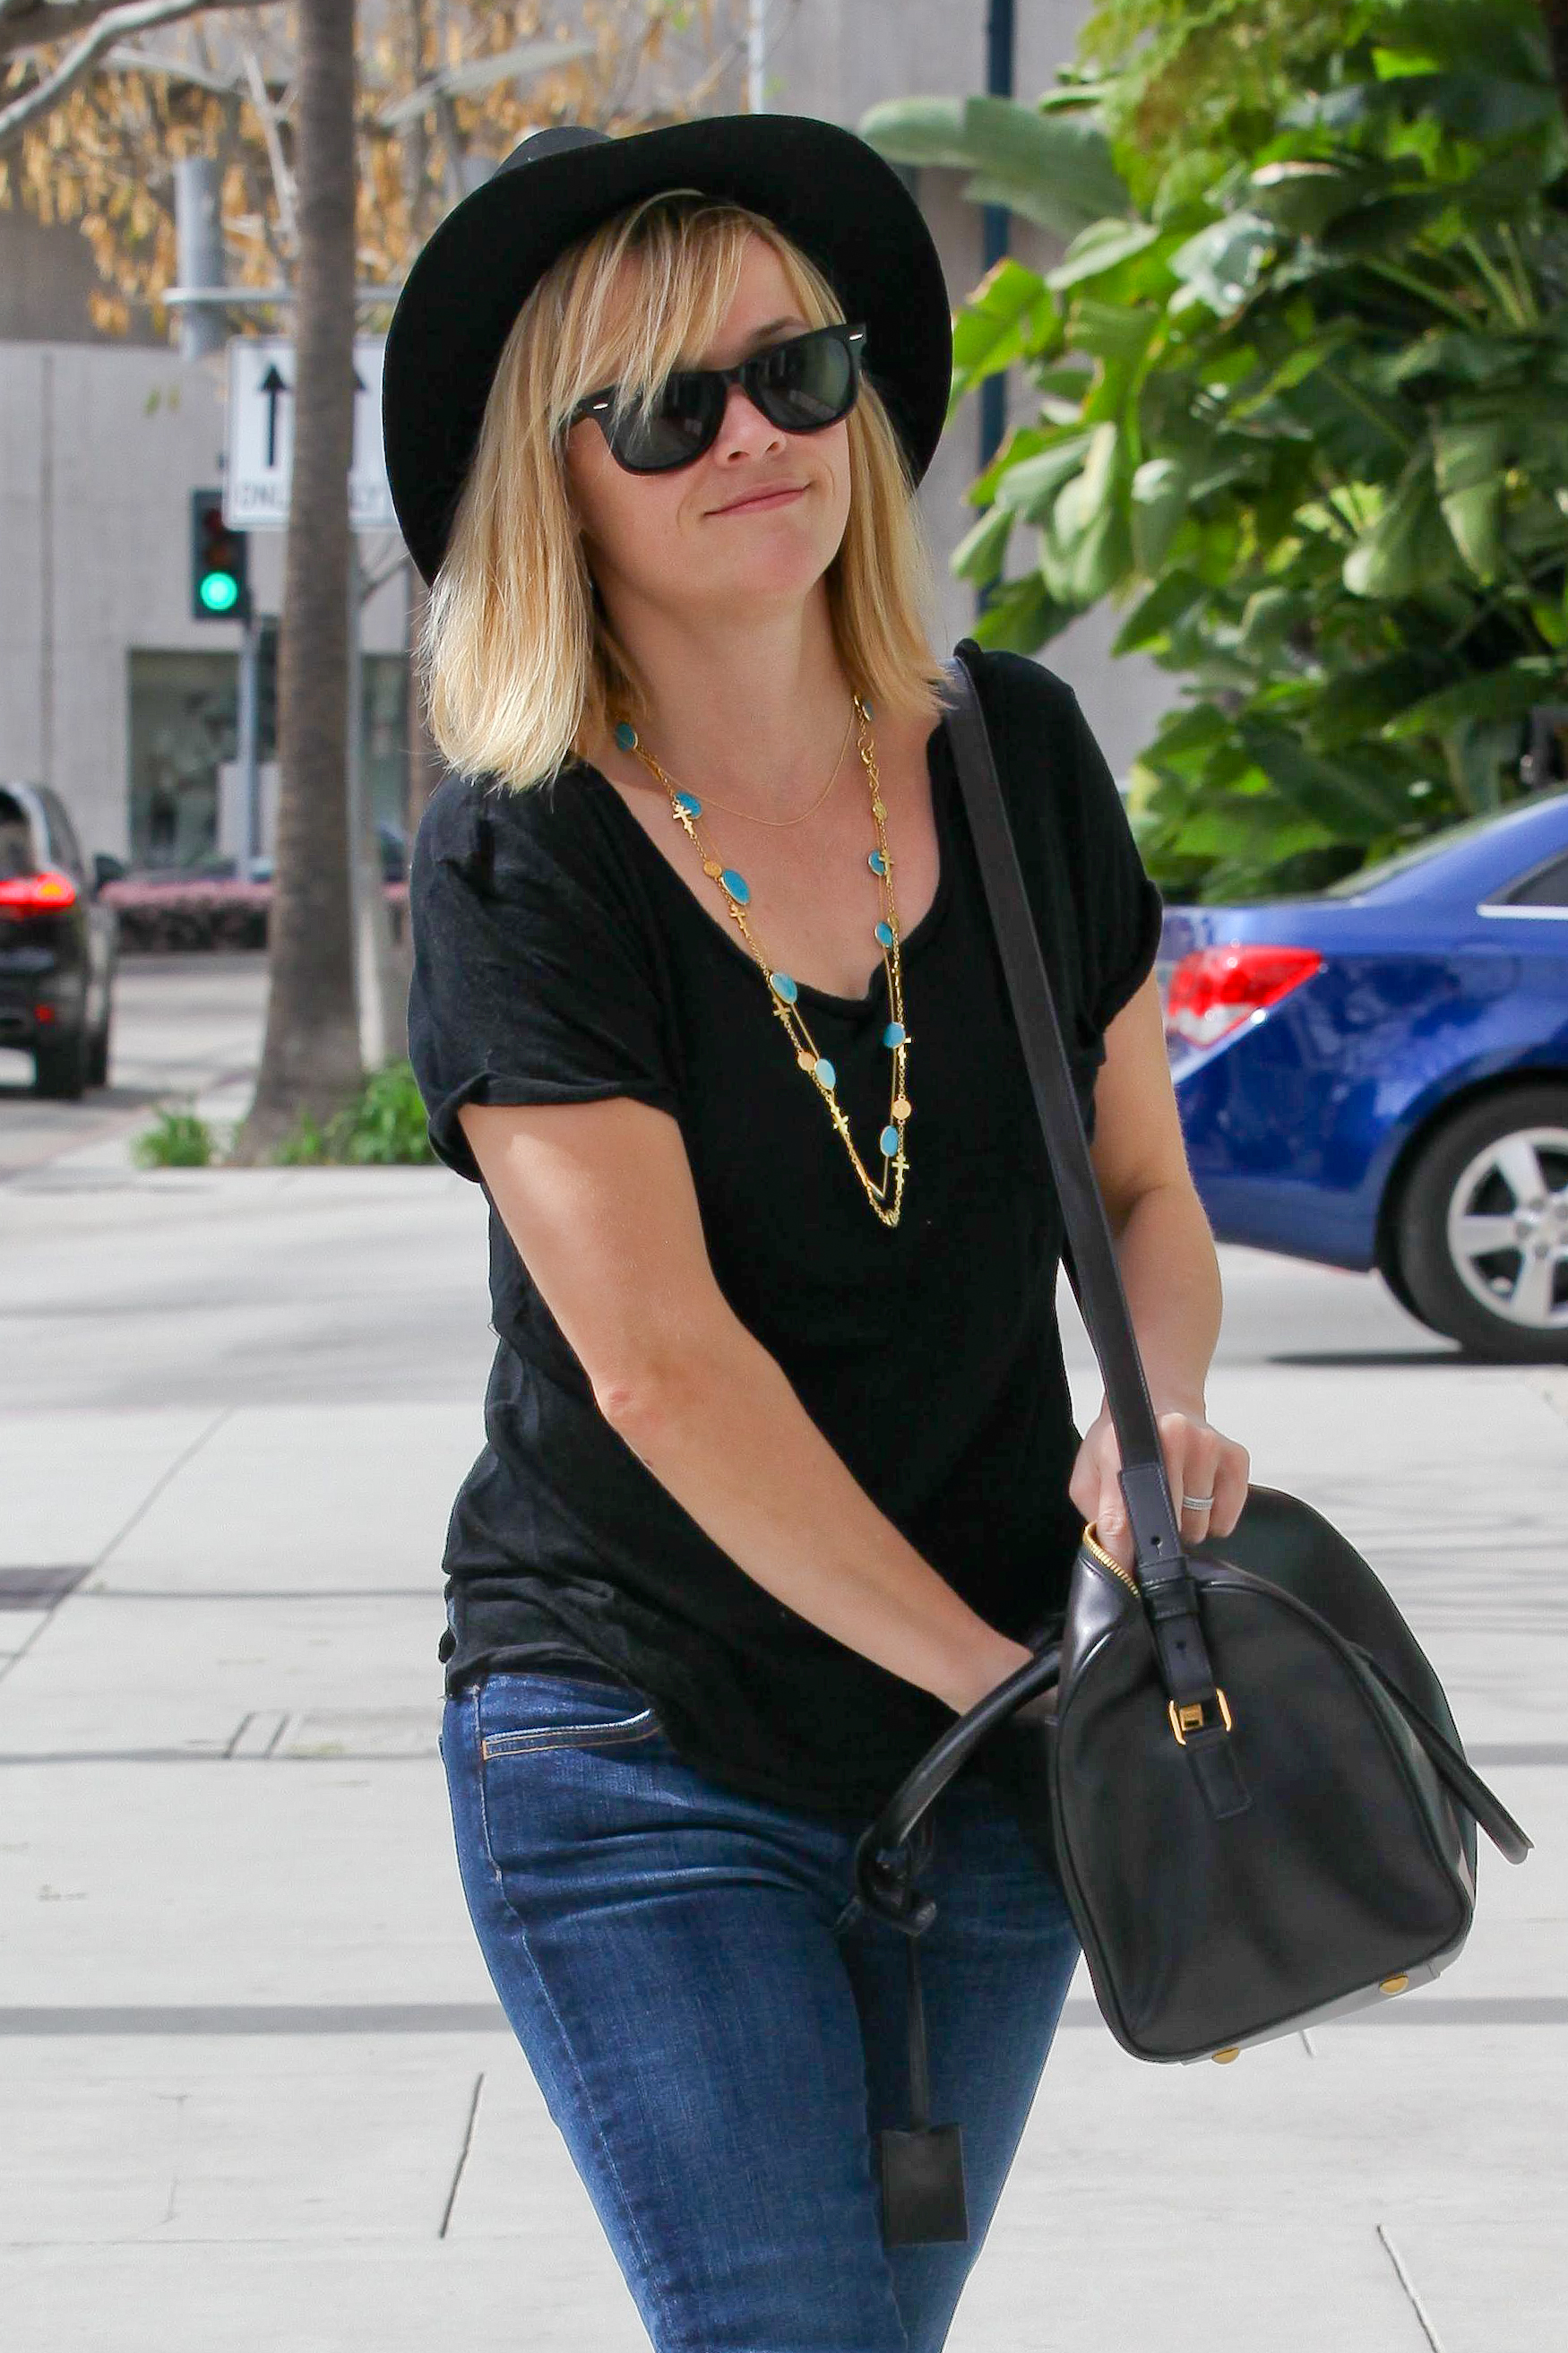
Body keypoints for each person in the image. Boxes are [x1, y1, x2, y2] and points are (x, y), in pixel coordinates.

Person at [386, 114, 1251, 2353]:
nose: (753, 437)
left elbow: (1140, 1190)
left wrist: (1149, 1418)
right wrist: (1011, 1696)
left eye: (794, 371)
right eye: (664, 410)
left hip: (992, 1741)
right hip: (641, 1732)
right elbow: (656, 1365)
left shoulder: (1013, 757)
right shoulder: (523, 851)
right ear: (556, 484)